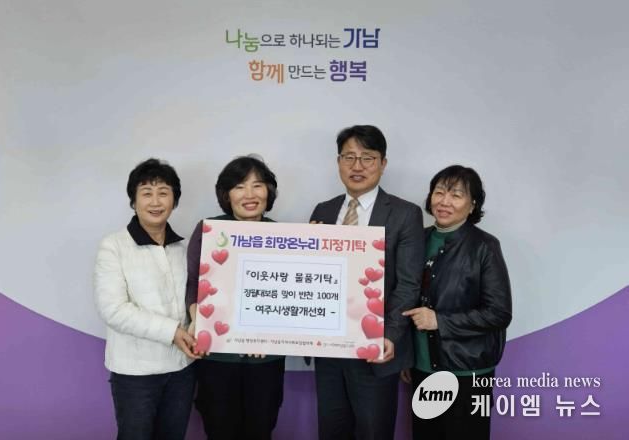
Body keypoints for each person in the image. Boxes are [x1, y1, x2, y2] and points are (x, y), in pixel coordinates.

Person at [309, 125, 425, 440]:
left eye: (367, 158)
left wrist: (390, 334)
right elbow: (313, 278)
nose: (357, 166)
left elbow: (408, 284)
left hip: (376, 348)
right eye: (349, 157)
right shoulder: (324, 210)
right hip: (329, 348)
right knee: (331, 431)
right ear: (338, 162)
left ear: (383, 163)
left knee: (374, 432)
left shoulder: (405, 214)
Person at [403, 165, 512, 440]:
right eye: (439, 192)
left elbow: (499, 312)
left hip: (468, 371)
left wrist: (439, 321)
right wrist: (406, 356)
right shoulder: (417, 239)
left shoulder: (484, 246)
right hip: (423, 368)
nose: (445, 201)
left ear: (473, 204)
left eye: (456, 195)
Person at [94, 158, 198, 440]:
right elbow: (113, 310)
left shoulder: (184, 247)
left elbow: (195, 299)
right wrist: (172, 331)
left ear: (174, 200)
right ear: (134, 200)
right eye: (146, 193)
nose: (155, 201)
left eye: (163, 192)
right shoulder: (113, 246)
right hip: (135, 374)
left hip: (182, 369)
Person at [186, 155, 285, 440]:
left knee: (261, 428)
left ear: (269, 191)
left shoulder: (285, 235)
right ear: (226, 194)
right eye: (239, 187)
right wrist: (197, 318)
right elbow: (193, 282)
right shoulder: (208, 230)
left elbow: (291, 297)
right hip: (218, 356)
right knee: (219, 428)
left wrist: (316, 242)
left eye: (257, 185)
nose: (249, 194)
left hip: (265, 358)